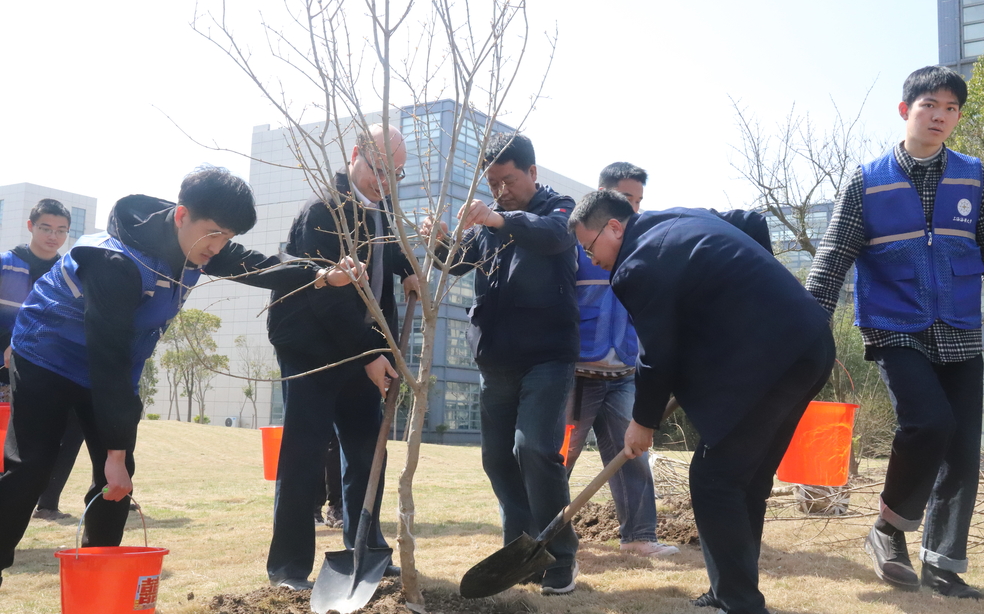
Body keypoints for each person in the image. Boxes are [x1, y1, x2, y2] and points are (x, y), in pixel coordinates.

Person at [0, 166, 348, 589]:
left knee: (116, 483)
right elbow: (109, 360)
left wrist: (318, 274)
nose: (218, 246)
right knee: (31, 468)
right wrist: (114, 452)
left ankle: (99, 584)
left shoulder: (199, 241)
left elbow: (254, 265)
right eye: (214, 234)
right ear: (182, 215)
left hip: (113, 365)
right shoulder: (115, 262)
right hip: (48, 355)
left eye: (227, 237)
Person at [570, 190, 834, 614]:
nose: (590, 258)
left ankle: (739, 602)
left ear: (614, 227)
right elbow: (751, 221)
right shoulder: (680, 218)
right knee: (745, 479)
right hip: (809, 343)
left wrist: (643, 421)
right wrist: (758, 300)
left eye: (589, 247)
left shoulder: (636, 265)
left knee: (714, 479)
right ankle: (730, 590)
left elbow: (656, 353)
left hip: (772, 360)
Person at [806, 66, 984, 599]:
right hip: (894, 325)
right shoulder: (867, 181)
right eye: (929, 105)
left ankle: (943, 565)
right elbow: (832, 257)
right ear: (905, 110)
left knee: (962, 448)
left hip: (959, 325)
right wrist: (808, 324)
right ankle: (888, 529)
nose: (940, 116)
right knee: (928, 423)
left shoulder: (975, 177)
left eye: (951, 108)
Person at [420, 132, 580, 595]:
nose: (500, 190)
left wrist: (498, 218)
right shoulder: (489, 222)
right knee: (496, 458)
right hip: (497, 359)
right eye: (492, 183)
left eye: (508, 180)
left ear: (532, 172)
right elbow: (454, 263)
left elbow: (553, 237)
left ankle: (561, 556)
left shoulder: (559, 209)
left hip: (548, 357)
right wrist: (439, 241)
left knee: (534, 449)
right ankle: (521, 552)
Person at [266, 124, 419, 590]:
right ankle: (289, 568)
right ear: (355, 154)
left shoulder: (380, 210)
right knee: (305, 453)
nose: (385, 182)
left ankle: (365, 548)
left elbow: (387, 255)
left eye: (395, 174)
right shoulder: (323, 211)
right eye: (379, 169)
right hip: (313, 351)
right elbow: (328, 297)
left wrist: (409, 271)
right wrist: (370, 353)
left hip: (361, 347)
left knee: (367, 451)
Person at [565, 162, 678, 559]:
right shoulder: (577, 244)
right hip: (577, 376)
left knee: (632, 455)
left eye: (639, 201)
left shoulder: (644, 248)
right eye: (628, 199)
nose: (635, 210)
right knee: (557, 457)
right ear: (604, 195)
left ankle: (639, 537)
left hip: (624, 373)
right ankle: (541, 534)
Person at [0, 199, 86, 521]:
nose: (53, 236)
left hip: (50, 368)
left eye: (61, 230)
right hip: (5, 369)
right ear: (31, 226)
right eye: (46, 228)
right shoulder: (6, 264)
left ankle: (48, 503)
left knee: (73, 425)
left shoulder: (70, 273)